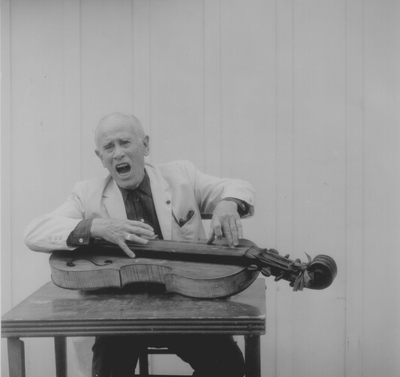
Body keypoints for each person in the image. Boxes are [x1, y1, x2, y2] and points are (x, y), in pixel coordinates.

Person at [24, 112, 255, 377]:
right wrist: (97, 226)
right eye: (109, 147)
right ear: (100, 157)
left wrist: (229, 203)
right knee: (108, 371)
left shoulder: (181, 176)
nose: (118, 153)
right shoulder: (87, 194)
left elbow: (238, 186)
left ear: (145, 145)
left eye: (125, 142)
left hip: (185, 304)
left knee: (228, 368)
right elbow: (34, 231)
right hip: (119, 312)